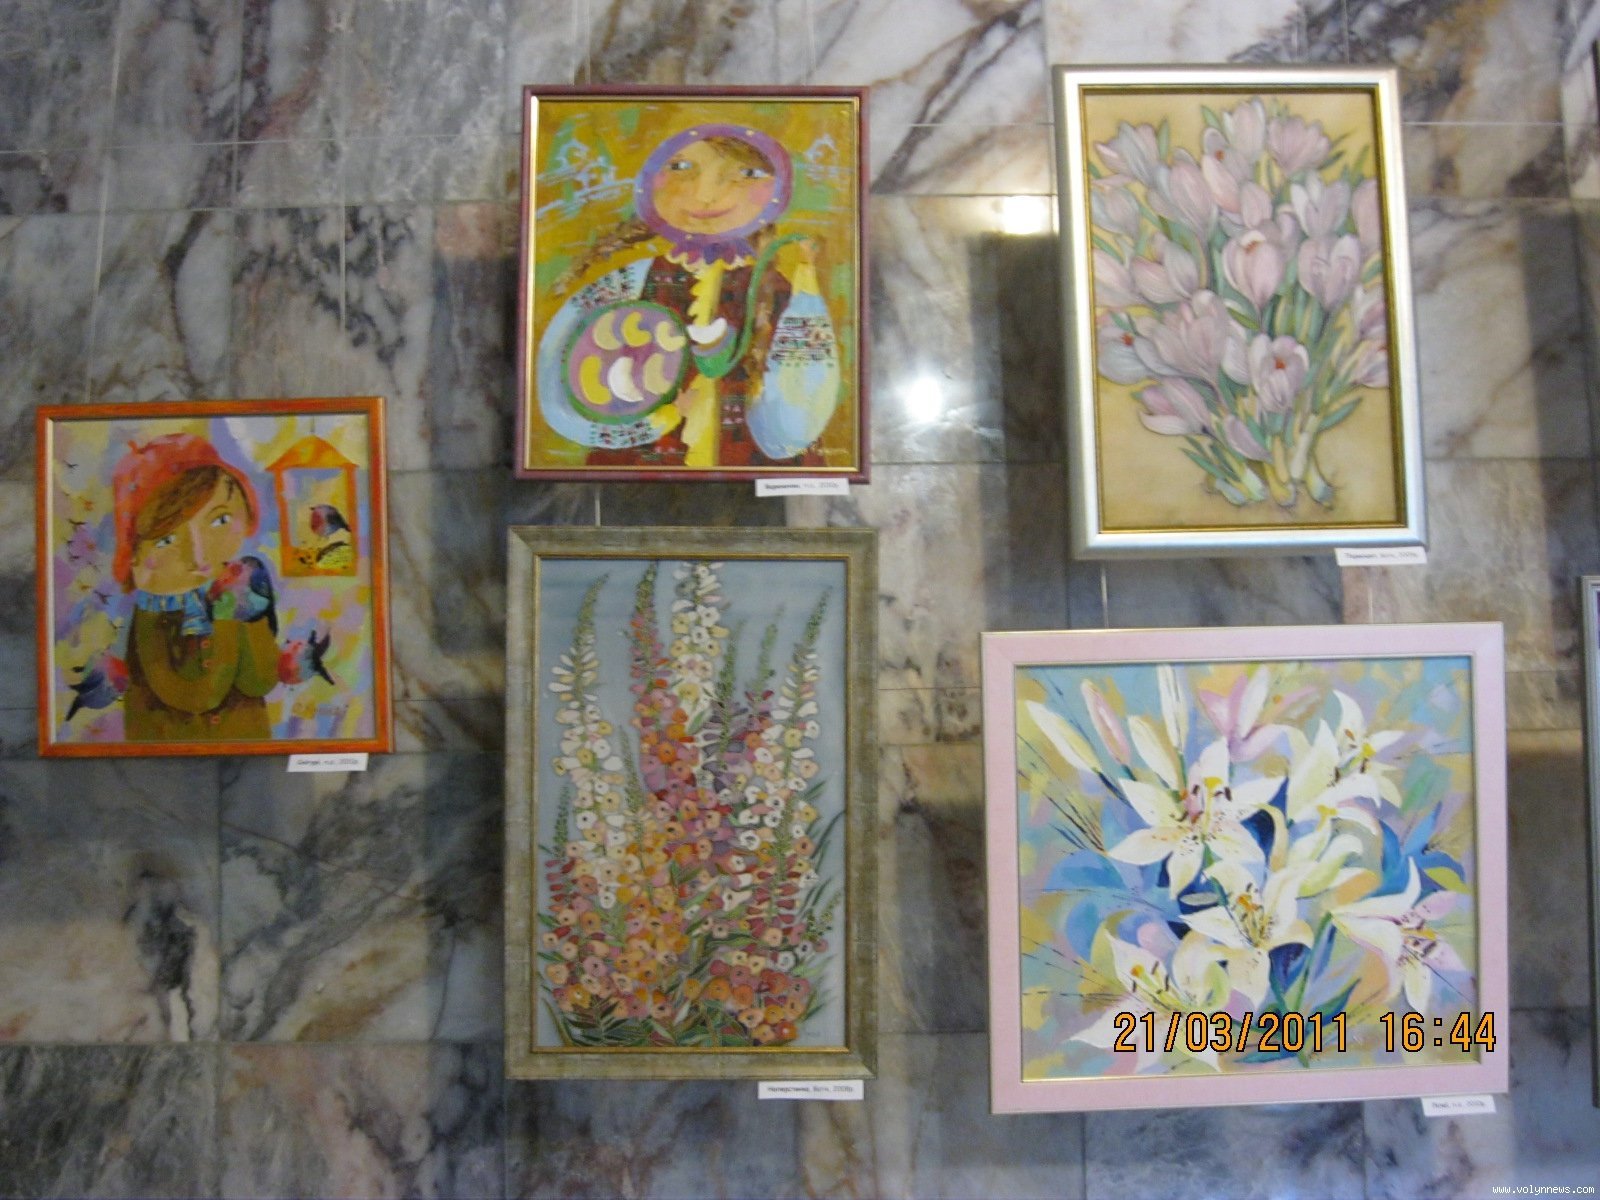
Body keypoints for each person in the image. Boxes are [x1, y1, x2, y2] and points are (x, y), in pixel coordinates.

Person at [538, 123, 842, 469]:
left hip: (748, 464)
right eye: (681, 168)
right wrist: (655, 423)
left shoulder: (774, 287)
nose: (706, 194)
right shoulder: (633, 281)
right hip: (644, 462)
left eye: (745, 174)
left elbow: (800, 398)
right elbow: (561, 372)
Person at [111, 433, 279, 740]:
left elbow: (261, 680)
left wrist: (250, 613)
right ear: (135, 559)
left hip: (249, 747)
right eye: (167, 540)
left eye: (219, 521)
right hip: (172, 756)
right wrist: (226, 618)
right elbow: (198, 696)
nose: (199, 558)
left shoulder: (235, 586)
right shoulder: (153, 614)